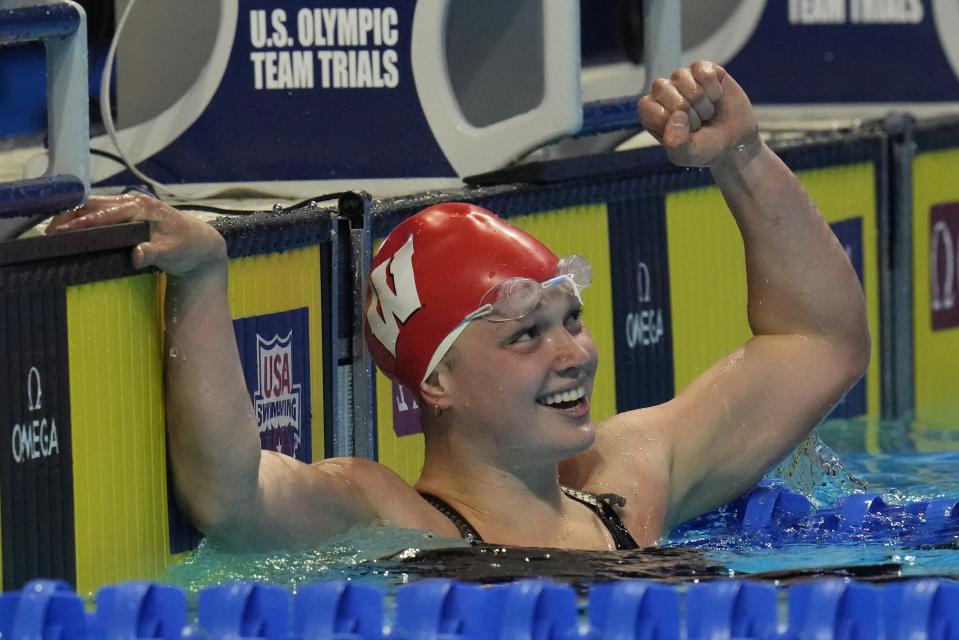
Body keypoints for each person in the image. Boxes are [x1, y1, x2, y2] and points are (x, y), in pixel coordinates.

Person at [47, 61, 869, 551]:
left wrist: (746, 159)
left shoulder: (626, 484)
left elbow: (819, 342)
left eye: (570, 320)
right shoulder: (391, 518)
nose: (574, 354)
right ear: (433, 382)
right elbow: (230, 498)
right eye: (526, 337)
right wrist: (203, 277)